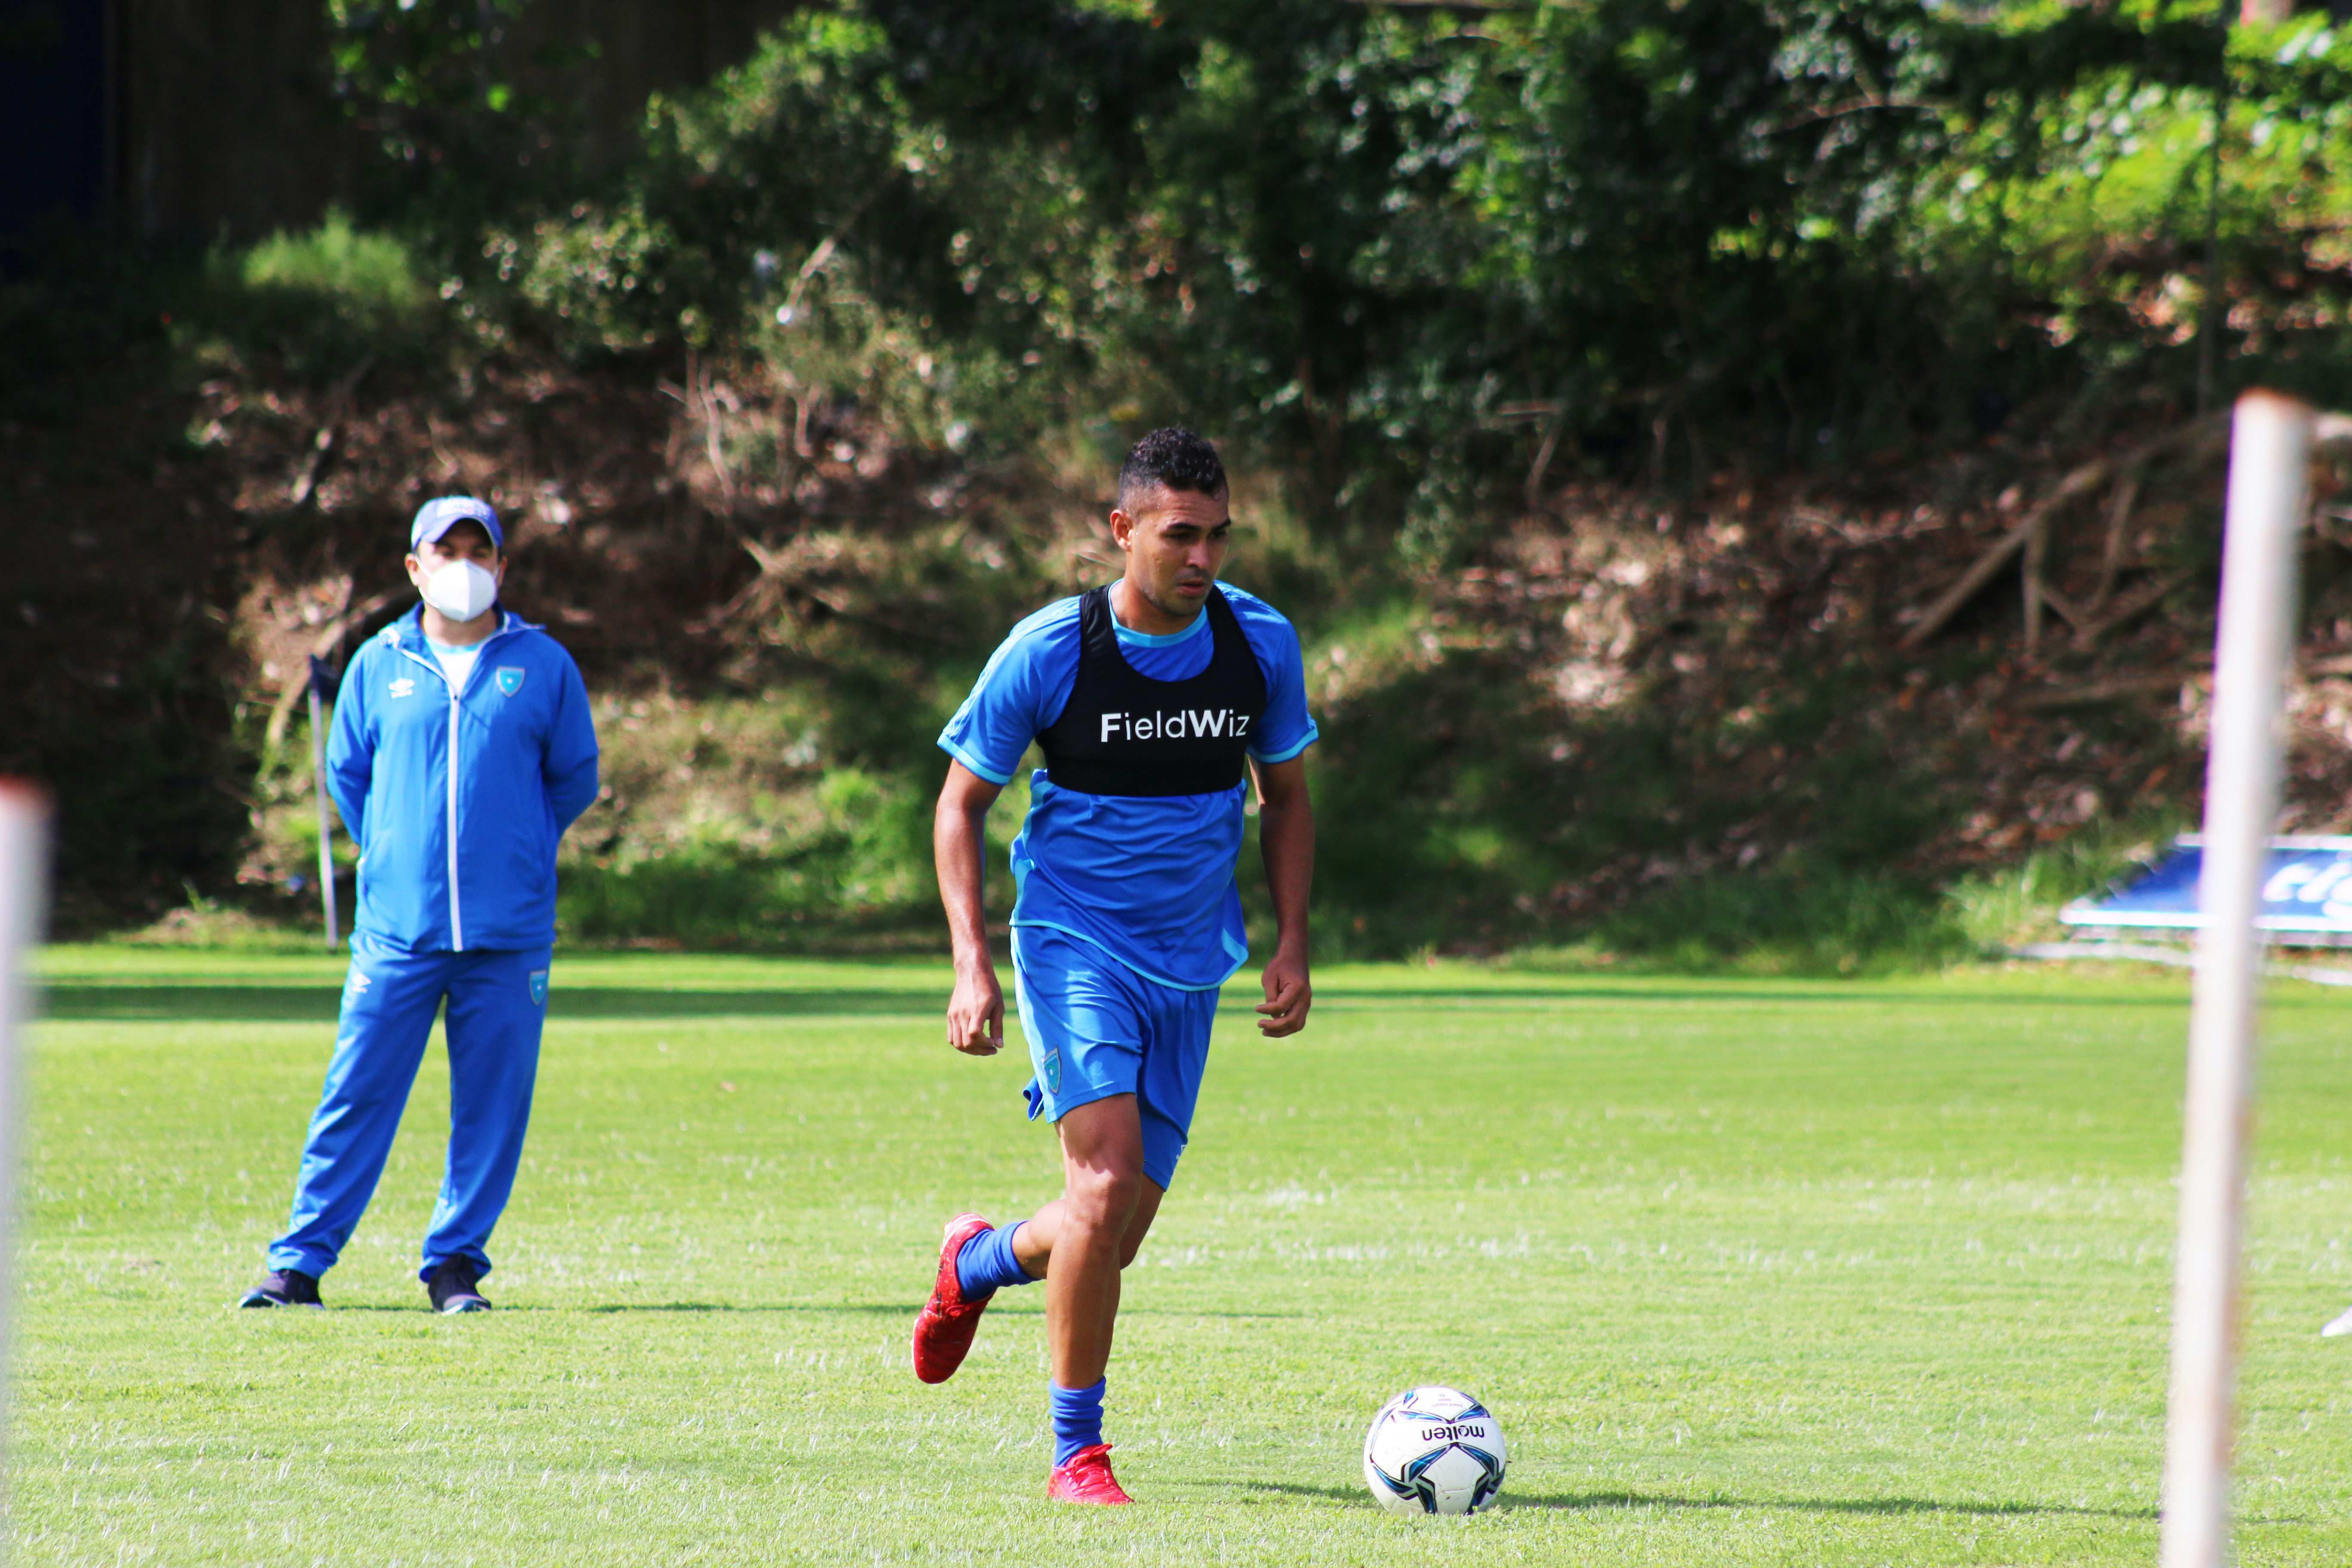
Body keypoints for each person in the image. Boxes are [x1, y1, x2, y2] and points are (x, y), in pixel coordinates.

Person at [911, 427, 1318, 1503]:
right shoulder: (1052, 650)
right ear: (1122, 529)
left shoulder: (1261, 644)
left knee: (1113, 1230)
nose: (1203, 558)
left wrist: (1292, 941)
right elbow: (960, 806)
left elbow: (1287, 796)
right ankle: (1075, 1455)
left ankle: (980, 1261)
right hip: (1073, 940)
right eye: (1181, 535)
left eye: (1219, 537)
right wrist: (969, 964)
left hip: (1193, 963)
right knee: (1097, 1184)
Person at [239, 496, 599, 1314]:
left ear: (502, 565)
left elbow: (574, 777)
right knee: (354, 1094)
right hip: (397, 933)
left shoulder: (544, 665)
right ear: (415, 566)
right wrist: (394, 854)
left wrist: (519, 848)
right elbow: (349, 774)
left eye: (480, 551)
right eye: (448, 551)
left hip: (509, 935)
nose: (464, 565)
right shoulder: (377, 661)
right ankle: (298, 1266)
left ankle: (455, 1266)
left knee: (493, 1106)